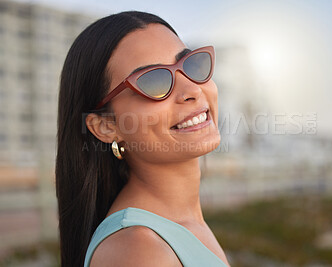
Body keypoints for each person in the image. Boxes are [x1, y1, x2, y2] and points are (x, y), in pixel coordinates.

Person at [56, 10, 230, 267]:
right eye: (153, 81)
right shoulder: (139, 250)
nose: (192, 89)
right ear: (105, 126)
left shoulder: (177, 227)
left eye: (190, 64)